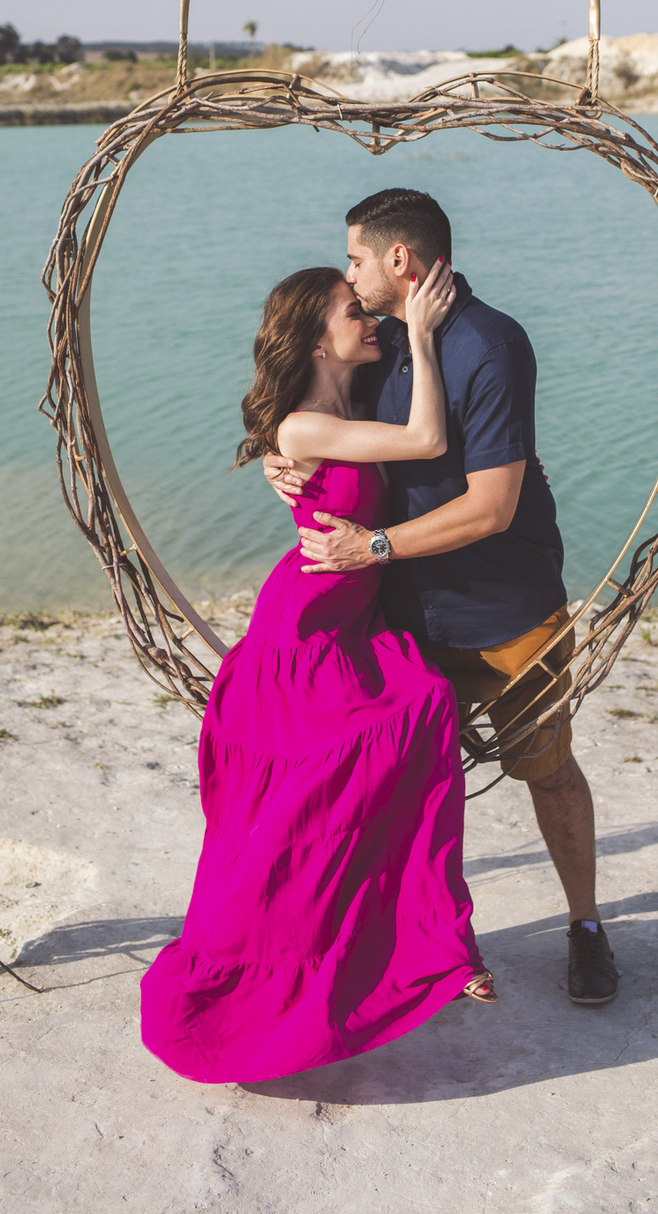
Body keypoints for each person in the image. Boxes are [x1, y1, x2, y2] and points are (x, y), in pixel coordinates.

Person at [141, 257, 494, 1087]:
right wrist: (423, 335)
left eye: (365, 309)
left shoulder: (347, 405)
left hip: (349, 619)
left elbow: (359, 462)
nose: (366, 319)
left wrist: (281, 469)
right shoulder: (304, 426)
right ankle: (278, 971)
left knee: (420, 716)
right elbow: (427, 442)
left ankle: (434, 944)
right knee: (309, 806)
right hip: (301, 632)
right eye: (350, 313)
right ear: (314, 339)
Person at [264, 188, 619, 1007]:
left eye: (356, 256)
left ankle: (587, 927)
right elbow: (310, 408)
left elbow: (491, 506)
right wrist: (277, 460)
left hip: (506, 609)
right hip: (398, 617)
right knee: (400, 787)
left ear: (400, 260)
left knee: (548, 770)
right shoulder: (380, 339)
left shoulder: (492, 345)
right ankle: (425, 944)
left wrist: (372, 544)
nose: (349, 273)